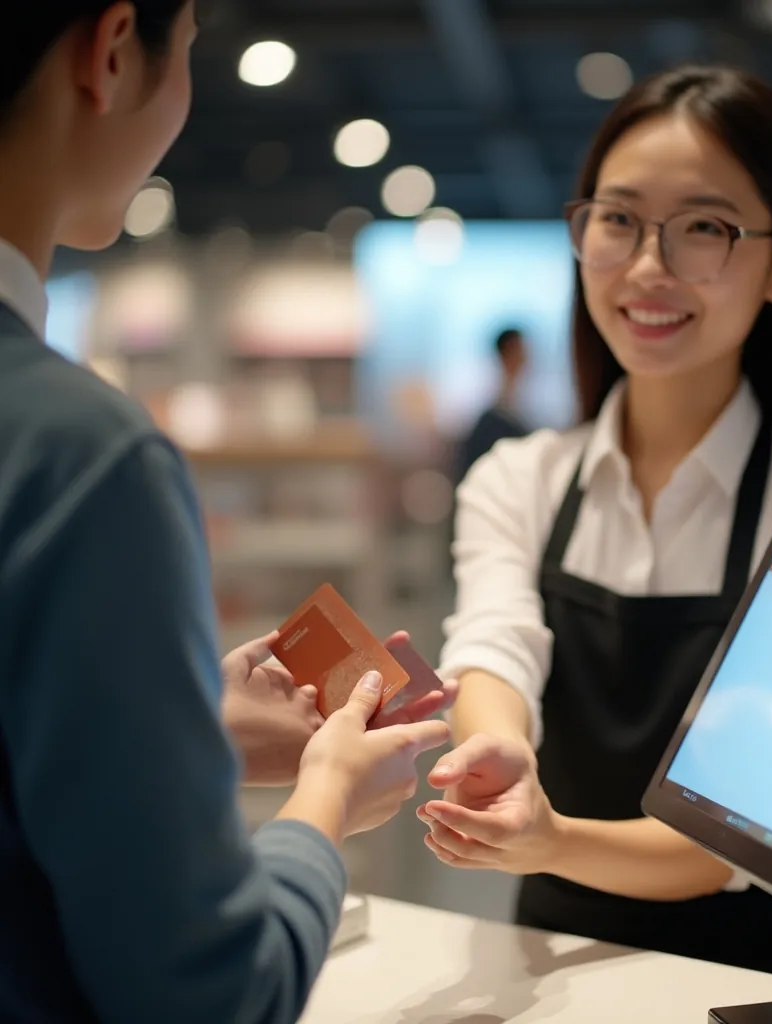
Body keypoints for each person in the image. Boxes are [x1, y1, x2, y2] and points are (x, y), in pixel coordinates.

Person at [0, 3, 453, 1022]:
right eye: (191, 44)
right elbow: (207, 995)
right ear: (112, 51)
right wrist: (326, 797)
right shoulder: (84, 456)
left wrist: (180, 734)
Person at [421, 64, 772, 987]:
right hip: (543, 973)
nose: (647, 267)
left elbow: (751, 831)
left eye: (705, 229)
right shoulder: (519, 479)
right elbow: (495, 644)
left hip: (759, 992)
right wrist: (499, 752)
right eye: (619, 219)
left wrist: (549, 836)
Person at [453, 327, 530, 486]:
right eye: (521, 350)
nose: (527, 357)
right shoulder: (493, 419)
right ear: (508, 352)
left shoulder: (516, 407)